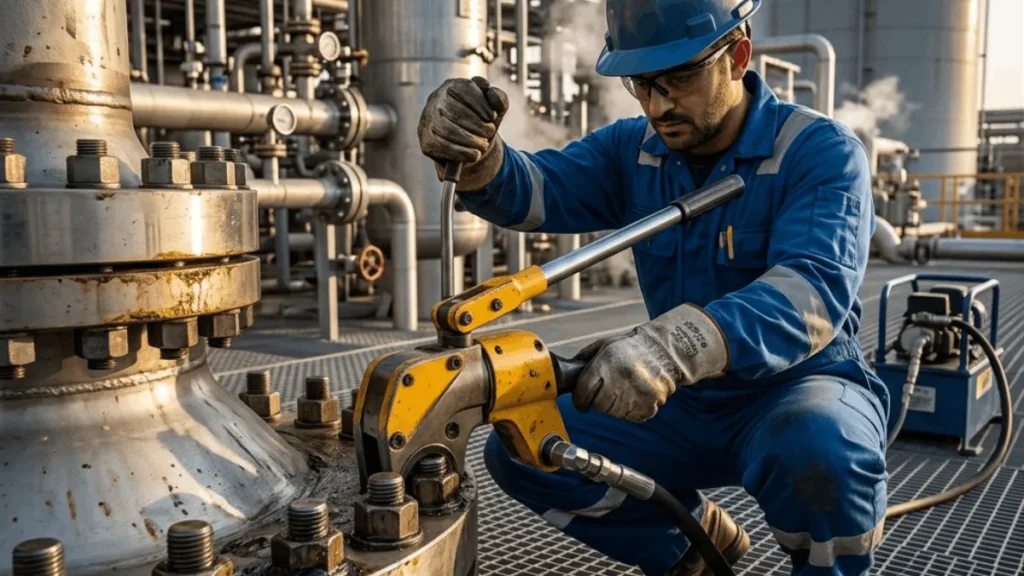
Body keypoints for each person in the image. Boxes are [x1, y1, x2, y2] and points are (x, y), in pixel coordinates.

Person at [417, 0, 889, 574]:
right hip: (683, 400)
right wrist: (480, 159)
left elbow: (811, 292)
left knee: (822, 456)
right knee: (525, 446)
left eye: (680, 79)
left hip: (795, 390)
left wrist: (671, 347)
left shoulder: (819, 152)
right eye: (642, 84)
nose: (658, 105)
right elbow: (539, 188)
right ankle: (691, 548)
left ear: (737, 56)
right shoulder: (634, 149)